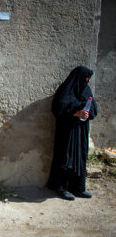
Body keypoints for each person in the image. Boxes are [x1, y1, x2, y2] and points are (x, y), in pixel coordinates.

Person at [48, 66, 98, 201]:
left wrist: (87, 113)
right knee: (65, 157)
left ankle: (78, 188)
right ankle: (62, 188)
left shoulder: (86, 91)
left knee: (80, 158)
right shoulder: (66, 90)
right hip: (67, 131)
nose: (87, 81)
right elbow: (58, 107)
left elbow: (93, 108)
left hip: (81, 131)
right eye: (86, 78)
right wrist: (75, 112)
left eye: (88, 78)